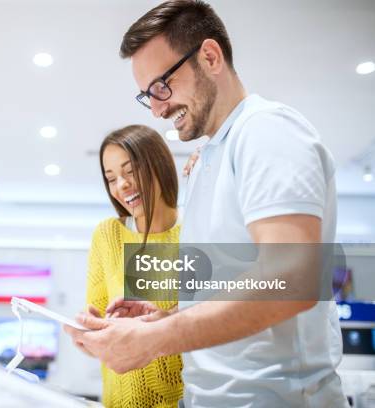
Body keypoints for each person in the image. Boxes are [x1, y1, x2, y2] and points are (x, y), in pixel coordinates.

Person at [65, 1, 348, 407]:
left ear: (210, 57)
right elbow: (228, 293)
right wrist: (165, 319)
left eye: (162, 86)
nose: (159, 107)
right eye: (148, 96)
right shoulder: (207, 162)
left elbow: (292, 279)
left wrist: (153, 340)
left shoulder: (266, 131)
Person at [83, 125, 184, 407]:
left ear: (158, 164)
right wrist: (88, 334)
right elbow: (104, 336)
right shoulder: (108, 235)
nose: (122, 185)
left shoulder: (193, 231)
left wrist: (161, 323)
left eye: (130, 171)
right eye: (111, 178)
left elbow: (213, 321)